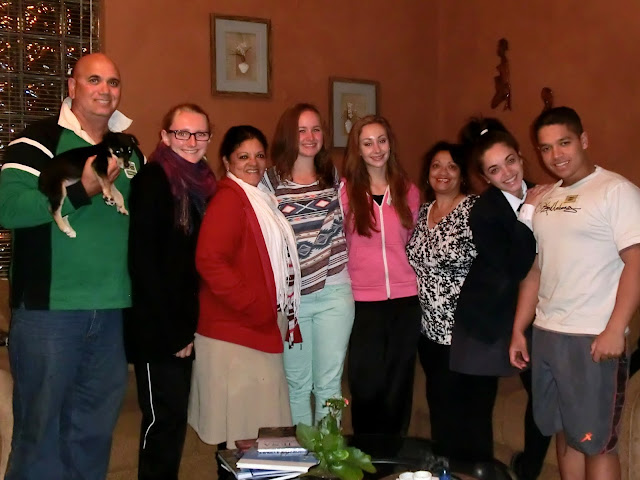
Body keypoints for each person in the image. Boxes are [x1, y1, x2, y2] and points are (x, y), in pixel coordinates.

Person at [0, 53, 143, 480]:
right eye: (94, 80)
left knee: (93, 433)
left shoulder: (130, 151)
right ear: (72, 86)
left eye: (113, 82)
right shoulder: (36, 142)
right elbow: (9, 209)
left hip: (112, 310)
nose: (105, 90)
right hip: (49, 312)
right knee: (39, 433)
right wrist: (82, 192)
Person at [509, 107, 640, 480]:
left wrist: (615, 329)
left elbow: (636, 262)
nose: (556, 155)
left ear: (583, 140)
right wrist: (519, 328)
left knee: (596, 443)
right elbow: (537, 270)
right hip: (548, 335)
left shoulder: (616, 191)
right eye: (546, 148)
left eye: (564, 143)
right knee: (565, 435)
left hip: (592, 336)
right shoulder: (546, 198)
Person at [188, 125, 300, 448]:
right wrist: (255, 304)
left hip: (256, 327)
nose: (253, 163)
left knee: (253, 432)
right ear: (227, 161)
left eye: (259, 155)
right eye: (243, 156)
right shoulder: (229, 200)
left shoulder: (260, 198)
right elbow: (210, 260)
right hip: (236, 333)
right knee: (242, 435)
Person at [453, 117, 552, 479]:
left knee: (543, 398)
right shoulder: (484, 211)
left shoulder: (549, 194)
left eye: (510, 161)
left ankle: (527, 470)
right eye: (494, 169)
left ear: (521, 156)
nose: (507, 173)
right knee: (478, 406)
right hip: (487, 314)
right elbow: (513, 265)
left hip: (535, 312)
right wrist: (527, 213)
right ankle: (481, 472)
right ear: (485, 177)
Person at [126, 104, 217, 480]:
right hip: (158, 328)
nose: (191, 141)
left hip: (188, 321)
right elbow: (144, 264)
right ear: (165, 136)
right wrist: (175, 333)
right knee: (163, 421)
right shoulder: (153, 179)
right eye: (182, 133)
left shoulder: (205, 183)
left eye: (200, 134)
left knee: (176, 418)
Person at [261, 103, 354, 426]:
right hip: (293, 300)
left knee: (329, 384)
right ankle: (302, 455)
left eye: (316, 129)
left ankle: (329, 452)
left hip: (334, 293)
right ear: (289, 134)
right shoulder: (269, 181)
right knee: (297, 386)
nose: (310, 136)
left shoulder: (333, 176)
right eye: (301, 130)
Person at [339, 115, 421, 435]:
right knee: (366, 381)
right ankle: (367, 449)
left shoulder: (408, 191)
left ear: (390, 145)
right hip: (363, 301)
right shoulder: (344, 193)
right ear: (358, 150)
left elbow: (413, 242)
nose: (376, 149)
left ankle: (393, 449)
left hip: (405, 299)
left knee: (399, 381)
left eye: (382, 141)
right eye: (368, 143)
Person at [405, 142, 478, 461]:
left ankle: (467, 470)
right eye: (436, 165)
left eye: (452, 166)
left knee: (466, 416)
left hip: (464, 333)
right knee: (440, 410)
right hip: (428, 333)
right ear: (428, 173)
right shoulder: (423, 211)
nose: (443, 172)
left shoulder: (475, 210)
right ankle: (444, 470)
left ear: (462, 174)